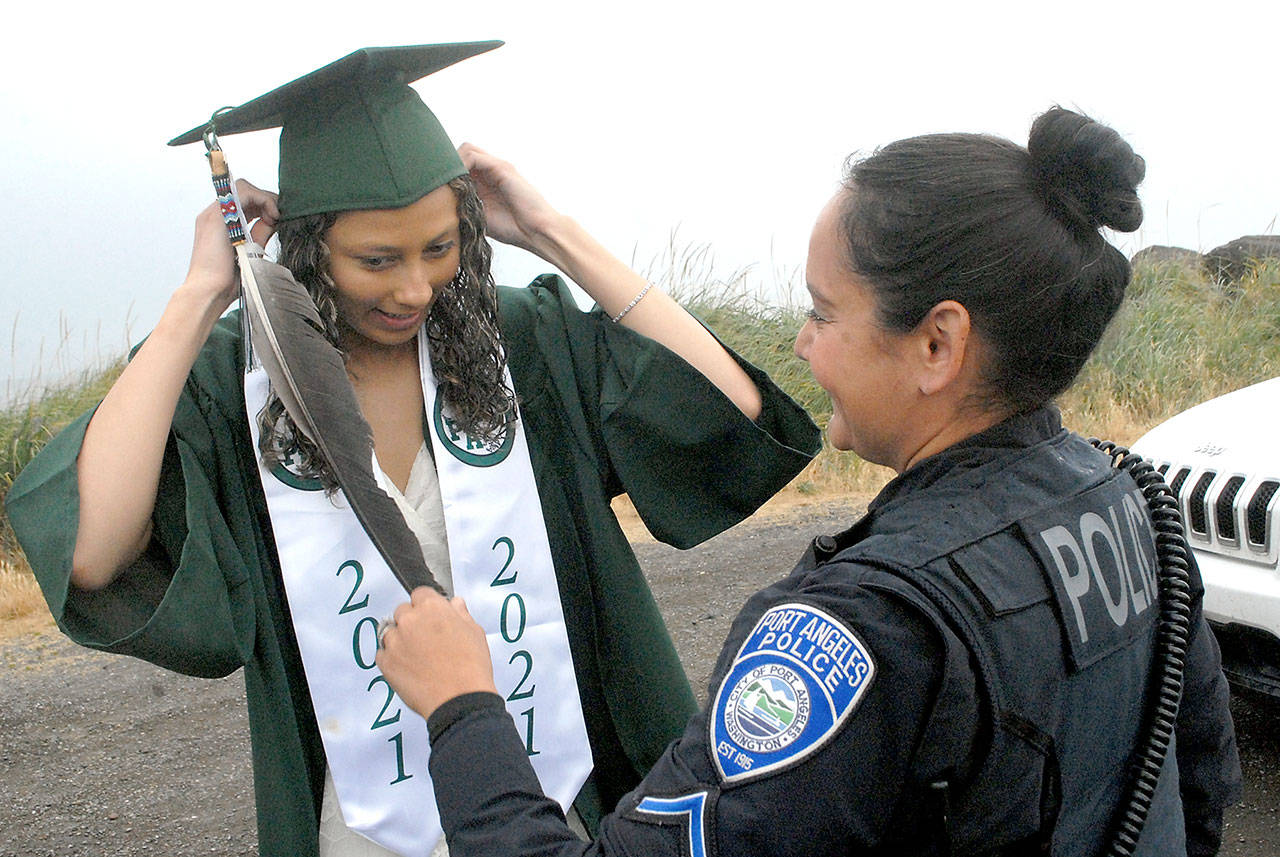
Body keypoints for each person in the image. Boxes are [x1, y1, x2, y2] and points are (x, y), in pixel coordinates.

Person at [3, 42, 820, 857]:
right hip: (362, 828)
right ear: (309, 244)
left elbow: (732, 412)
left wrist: (552, 233)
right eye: (377, 259)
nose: (415, 289)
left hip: (558, 801)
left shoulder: (518, 345)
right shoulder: (245, 382)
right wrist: (199, 295)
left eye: (439, 246)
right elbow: (92, 555)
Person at [375, 107, 1243, 856]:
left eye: (824, 313)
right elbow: (1198, 778)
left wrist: (462, 706)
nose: (802, 344)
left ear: (937, 344)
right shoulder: (1126, 499)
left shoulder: (863, 628)